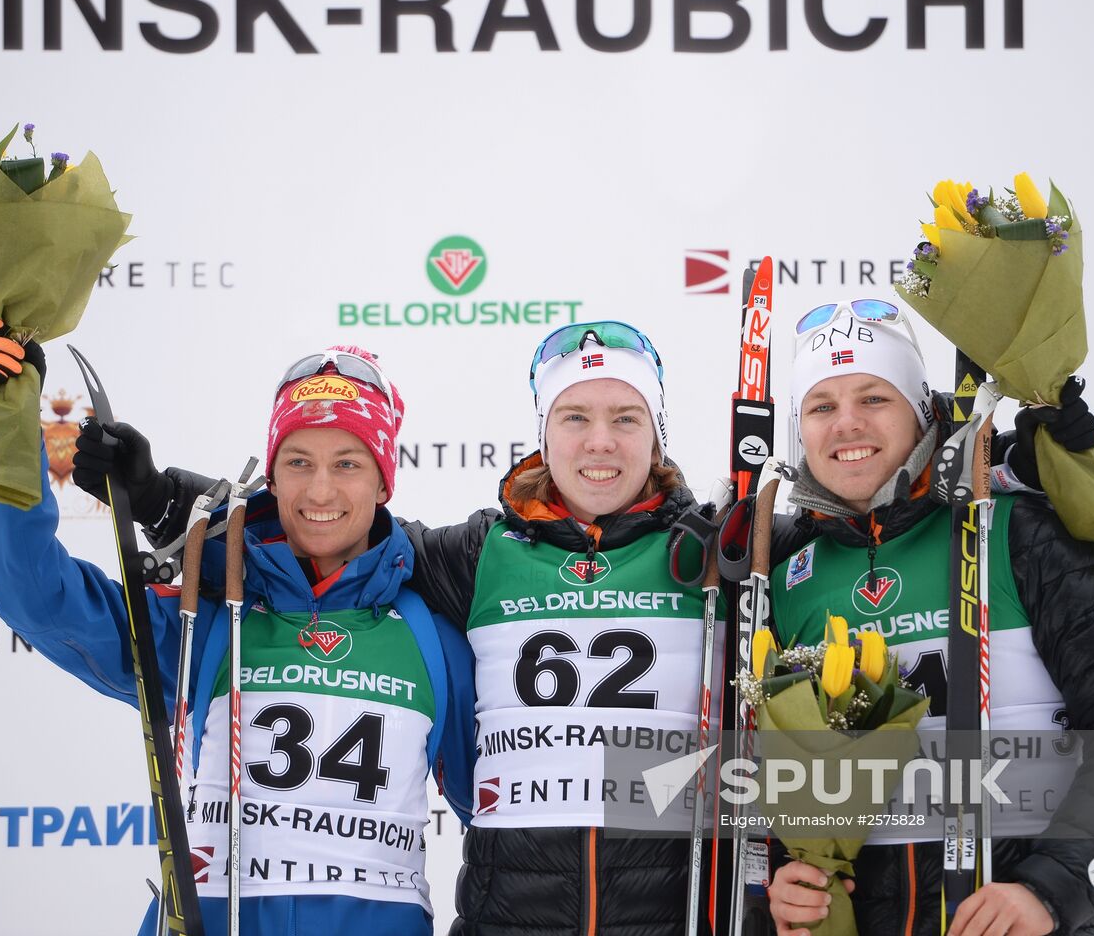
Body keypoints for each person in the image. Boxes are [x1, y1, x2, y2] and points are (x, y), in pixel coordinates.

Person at [75, 321, 720, 936]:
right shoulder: (483, 554)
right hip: (509, 920)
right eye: (574, 417)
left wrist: (673, 787)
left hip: (675, 917)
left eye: (626, 418)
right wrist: (160, 498)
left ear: (657, 436)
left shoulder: (717, 555)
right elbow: (322, 533)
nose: (599, 441)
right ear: (543, 437)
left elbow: (768, 764)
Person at [0, 335, 476, 936]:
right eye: (298, 462)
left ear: (384, 482)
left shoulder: (431, 639)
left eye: (347, 463)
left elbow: (512, 824)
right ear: (272, 478)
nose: (320, 491)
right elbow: (35, 594)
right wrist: (6, 421)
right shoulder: (206, 621)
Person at [760, 300, 1094, 936]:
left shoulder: (1019, 533)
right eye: (821, 406)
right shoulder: (786, 573)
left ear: (921, 411)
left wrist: (1052, 888)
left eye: (874, 398)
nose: (847, 423)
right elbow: (776, 775)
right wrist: (786, 881)